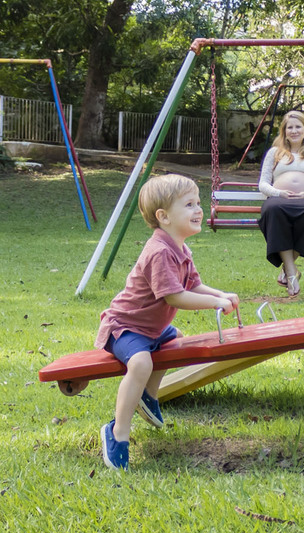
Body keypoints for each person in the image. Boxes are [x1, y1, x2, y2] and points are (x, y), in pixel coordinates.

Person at [95, 173, 239, 471]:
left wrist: (221, 294)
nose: (198, 209)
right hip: (125, 327)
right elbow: (175, 297)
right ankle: (118, 432)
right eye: (189, 205)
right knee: (141, 364)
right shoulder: (159, 251)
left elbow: (194, 285)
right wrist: (216, 303)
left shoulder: (181, 249)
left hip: (153, 330)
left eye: (198, 202)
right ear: (164, 217)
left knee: (175, 343)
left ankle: (147, 397)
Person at [257, 110, 304, 297]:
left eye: (298, 127)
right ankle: (291, 273)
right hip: (279, 200)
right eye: (290, 127)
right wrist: (278, 192)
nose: (294, 131)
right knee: (272, 210)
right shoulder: (275, 153)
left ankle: (288, 270)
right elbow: (263, 184)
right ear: (284, 131)